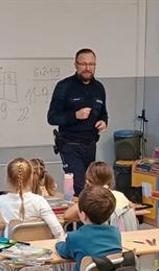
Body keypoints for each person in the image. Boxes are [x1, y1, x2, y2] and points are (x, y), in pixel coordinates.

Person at [0, 158, 64, 271]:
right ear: (32, 178)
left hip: (13, 260)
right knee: (50, 261)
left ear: (8, 178)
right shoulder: (39, 201)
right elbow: (57, 230)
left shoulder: (1, 201)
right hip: (41, 260)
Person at [48, 48, 108, 195]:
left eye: (91, 64)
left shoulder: (99, 88)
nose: (87, 68)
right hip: (70, 145)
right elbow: (52, 118)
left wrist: (103, 122)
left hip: (90, 145)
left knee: (91, 187)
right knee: (79, 187)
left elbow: (104, 114)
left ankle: (86, 217)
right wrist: (75, 115)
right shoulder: (64, 87)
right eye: (83, 64)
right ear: (76, 65)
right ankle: (76, 216)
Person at [63, 161, 137, 230]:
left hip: (102, 239)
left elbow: (67, 216)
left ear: (88, 182)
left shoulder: (91, 198)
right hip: (125, 237)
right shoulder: (119, 195)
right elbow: (132, 207)